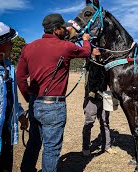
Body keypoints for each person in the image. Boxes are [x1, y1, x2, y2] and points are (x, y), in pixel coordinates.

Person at [16, 14, 99, 172]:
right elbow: (86, 52)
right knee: (51, 149)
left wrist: (30, 98)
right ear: (56, 30)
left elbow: (20, 77)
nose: (66, 30)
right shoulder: (65, 46)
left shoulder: (28, 47)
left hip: (35, 103)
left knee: (34, 141)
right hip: (54, 105)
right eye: (63, 27)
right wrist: (86, 39)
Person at [0, 21, 28, 171]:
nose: (12, 46)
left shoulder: (8, 67)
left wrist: (20, 114)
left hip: (5, 134)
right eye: (8, 43)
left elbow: (9, 98)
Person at [82, 48, 115, 156]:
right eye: (95, 48)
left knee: (105, 123)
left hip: (104, 97)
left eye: (99, 48)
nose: (98, 50)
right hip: (92, 97)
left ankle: (107, 146)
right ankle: (86, 148)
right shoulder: (89, 62)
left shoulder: (105, 64)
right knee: (89, 123)